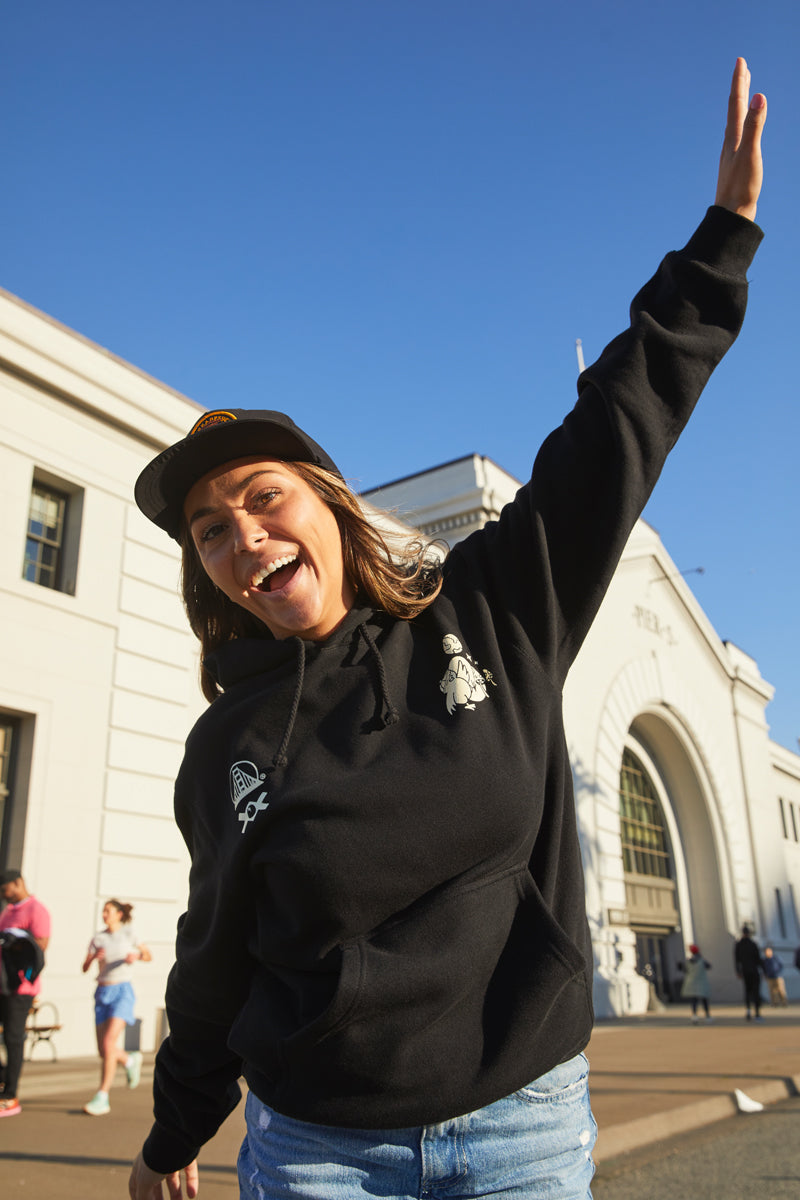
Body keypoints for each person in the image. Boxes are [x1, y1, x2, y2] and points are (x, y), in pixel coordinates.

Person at [128, 58, 767, 1200]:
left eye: (262, 496)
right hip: (317, 1148)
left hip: (520, 1122)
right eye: (209, 531)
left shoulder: (488, 610)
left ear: (327, 500)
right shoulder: (220, 752)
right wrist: (173, 1133)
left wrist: (716, 246)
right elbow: (213, 962)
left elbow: (609, 433)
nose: (242, 536)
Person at [82, 898, 151, 1116]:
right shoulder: (99, 938)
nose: (104, 914)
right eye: (103, 911)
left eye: (108, 911)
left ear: (119, 914)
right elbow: (84, 967)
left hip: (122, 991)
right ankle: (129, 1059)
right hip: (102, 992)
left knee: (109, 1042)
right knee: (104, 1051)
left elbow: (148, 955)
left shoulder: (129, 934)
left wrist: (137, 956)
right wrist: (94, 957)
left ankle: (102, 1096)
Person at [0, 869, 51, 1118]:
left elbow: (41, 947)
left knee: (13, 1037)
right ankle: (2, 1080)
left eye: (5, 889)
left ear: (18, 883)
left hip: (21, 988)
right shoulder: (7, 912)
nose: (3, 894)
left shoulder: (36, 910)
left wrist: (17, 941)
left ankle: (11, 1096)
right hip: (2, 984)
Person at [735, 923, 764, 1021]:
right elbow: (758, 959)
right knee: (756, 991)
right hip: (754, 971)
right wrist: (764, 971)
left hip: (745, 971)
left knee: (747, 991)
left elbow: (736, 959)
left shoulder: (738, 945)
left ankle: (748, 1011)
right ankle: (757, 1013)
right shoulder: (753, 944)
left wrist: (738, 971)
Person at [677, 944, 712, 1023]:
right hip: (701, 982)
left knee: (694, 1000)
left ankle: (695, 1015)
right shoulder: (702, 961)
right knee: (704, 999)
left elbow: (684, 970)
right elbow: (709, 966)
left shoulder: (688, 961)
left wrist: (680, 966)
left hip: (692, 982)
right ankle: (707, 1016)